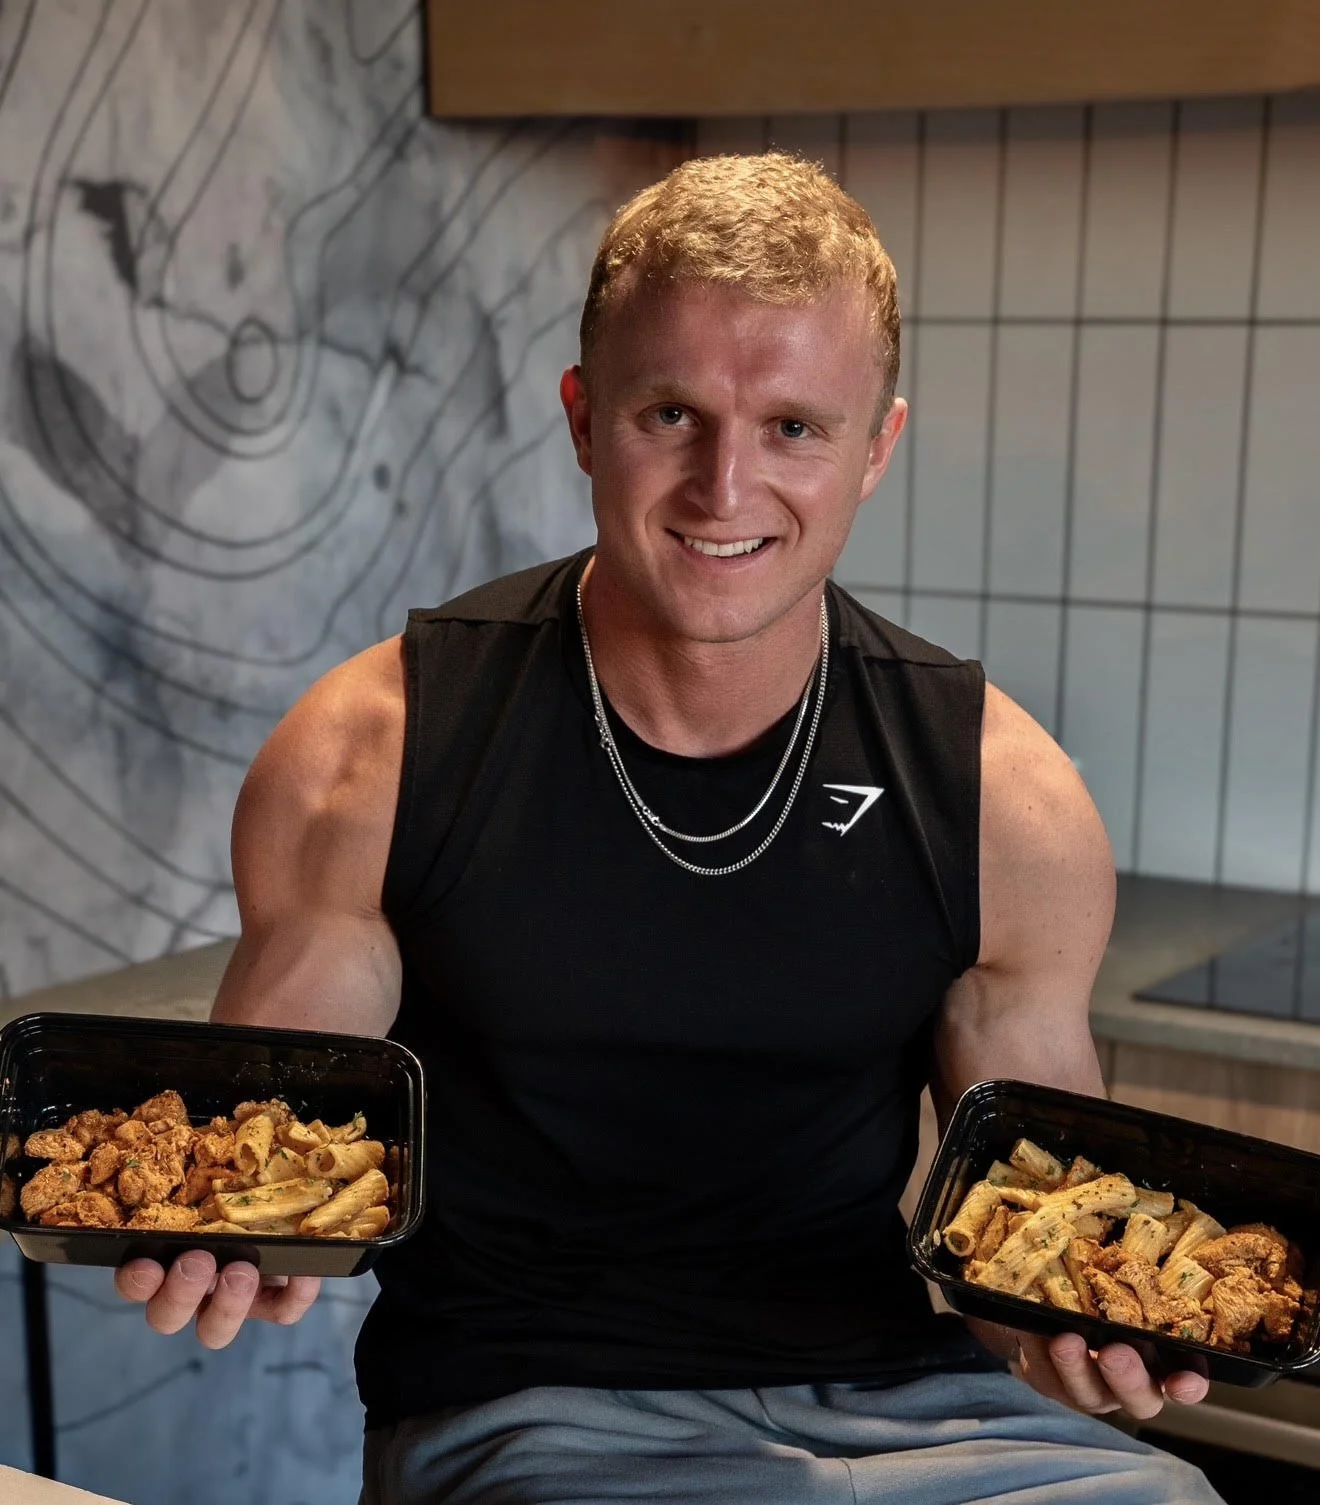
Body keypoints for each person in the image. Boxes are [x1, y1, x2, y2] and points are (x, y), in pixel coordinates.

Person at [116, 153, 1222, 1504]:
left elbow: (1021, 1246)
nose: (724, 487)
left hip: (908, 1409)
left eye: (795, 429)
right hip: (531, 1409)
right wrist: (239, 1233)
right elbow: (278, 1128)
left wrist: (1071, 1331)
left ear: (876, 447)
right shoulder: (376, 750)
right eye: (669, 415)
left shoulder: (1003, 799)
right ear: (585, 419)